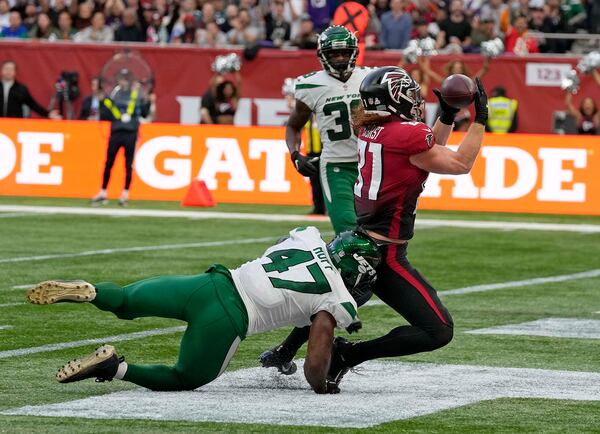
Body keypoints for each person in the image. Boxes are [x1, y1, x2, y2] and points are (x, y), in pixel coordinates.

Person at [261, 66, 488, 389]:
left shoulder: (374, 129)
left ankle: (291, 351)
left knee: (334, 298)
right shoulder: (406, 134)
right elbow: (460, 163)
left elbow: (427, 151)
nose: (415, 101)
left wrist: (448, 115)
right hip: (385, 254)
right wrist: (480, 119)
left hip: (360, 243)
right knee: (438, 329)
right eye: (408, 95)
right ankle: (348, 355)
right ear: (394, 100)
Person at [26, 227, 380, 394]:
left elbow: (277, 247)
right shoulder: (336, 297)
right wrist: (322, 387)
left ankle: (91, 292)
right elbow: (315, 365)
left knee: (127, 301)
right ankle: (114, 368)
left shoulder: (309, 237)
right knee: (186, 377)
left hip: (212, 283)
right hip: (228, 320)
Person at [259, 26, 373, 373]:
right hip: (337, 167)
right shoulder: (310, 84)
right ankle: (307, 342)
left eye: (344, 52)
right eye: (333, 53)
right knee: (354, 254)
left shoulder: (371, 79)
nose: (340, 58)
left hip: (373, 167)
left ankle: (293, 345)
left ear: (353, 52)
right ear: (323, 56)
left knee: (370, 262)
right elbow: (293, 126)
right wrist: (295, 155)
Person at [91, 69, 151, 207]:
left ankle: (125, 194)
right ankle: (103, 192)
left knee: (128, 165)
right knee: (109, 163)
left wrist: (147, 100)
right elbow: (106, 113)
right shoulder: (114, 95)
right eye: (121, 79)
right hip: (117, 132)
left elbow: (144, 112)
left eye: (125, 79)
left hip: (131, 133)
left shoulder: (135, 95)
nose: (123, 82)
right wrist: (102, 103)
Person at [282, 78, 325, 216]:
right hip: (312, 149)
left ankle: (326, 208)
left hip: (325, 149)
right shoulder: (307, 113)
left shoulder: (318, 110)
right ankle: (318, 207)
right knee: (315, 180)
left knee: (326, 181)